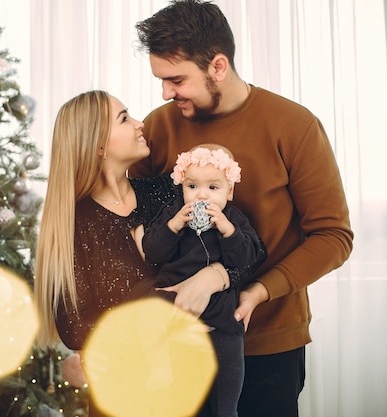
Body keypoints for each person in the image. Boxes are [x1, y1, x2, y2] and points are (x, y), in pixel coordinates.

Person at [131, 2, 354, 416]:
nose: (165, 93)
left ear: (218, 66)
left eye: (176, 79)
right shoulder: (159, 126)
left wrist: (254, 291)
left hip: (267, 345)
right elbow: (135, 222)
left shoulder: (294, 125)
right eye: (161, 80)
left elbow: (333, 236)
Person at [34, 90, 266, 417]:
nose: (140, 124)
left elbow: (246, 251)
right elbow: (74, 326)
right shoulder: (75, 221)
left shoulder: (167, 194)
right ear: (98, 145)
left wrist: (215, 277)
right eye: (124, 118)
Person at [141, 144, 261, 417]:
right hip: (173, 297)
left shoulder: (233, 219)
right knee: (151, 308)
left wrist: (228, 231)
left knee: (229, 345)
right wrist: (172, 226)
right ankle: (160, 368)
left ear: (229, 191)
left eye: (213, 188)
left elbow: (247, 258)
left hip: (218, 308)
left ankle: (226, 408)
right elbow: (152, 252)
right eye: (192, 186)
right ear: (182, 186)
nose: (201, 195)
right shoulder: (173, 213)